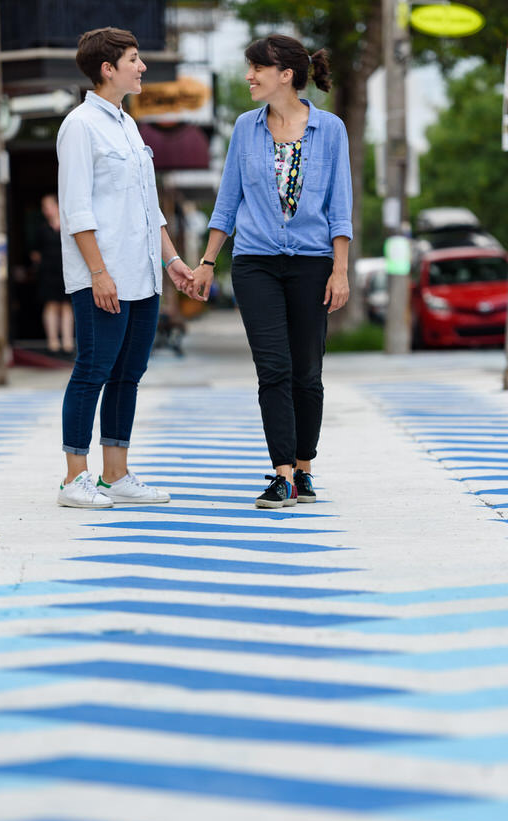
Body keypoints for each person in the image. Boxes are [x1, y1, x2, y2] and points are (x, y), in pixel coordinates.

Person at [188, 35, 352, 509]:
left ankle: (303, 467)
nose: (249, 76)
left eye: (257, 68)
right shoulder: (245, 128)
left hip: (312, 262)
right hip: (255, 261)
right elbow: (228, 200)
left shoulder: (331, 129)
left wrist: (339, 271)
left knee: (307, 372)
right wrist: (206, 261)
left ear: (286, 75)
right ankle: (281, 475)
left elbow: (340, 208)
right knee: (273, 368)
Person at [56, 27, 195, 509]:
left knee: (128, 374)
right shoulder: (80, 125)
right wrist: (97, 272)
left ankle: (116, 474)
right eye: (134, 59)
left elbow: (148, 206)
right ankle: (76, 477)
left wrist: (173, 260)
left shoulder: (129, 125)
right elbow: (76, 209)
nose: (143, 67)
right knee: (93, 369)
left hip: (144, 275)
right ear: (107, 69)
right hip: (104, 277)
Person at [30, 194, 74, 355]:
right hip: (48, 273)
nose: (46, 210)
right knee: (51, 306)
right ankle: (53, 342)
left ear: (57, 206)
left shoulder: (68, 226)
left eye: (49, 206)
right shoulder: (41, 229)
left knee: (66, 306)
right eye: (44, 207)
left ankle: (68, 342)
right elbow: (35, 253)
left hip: (66, 271)